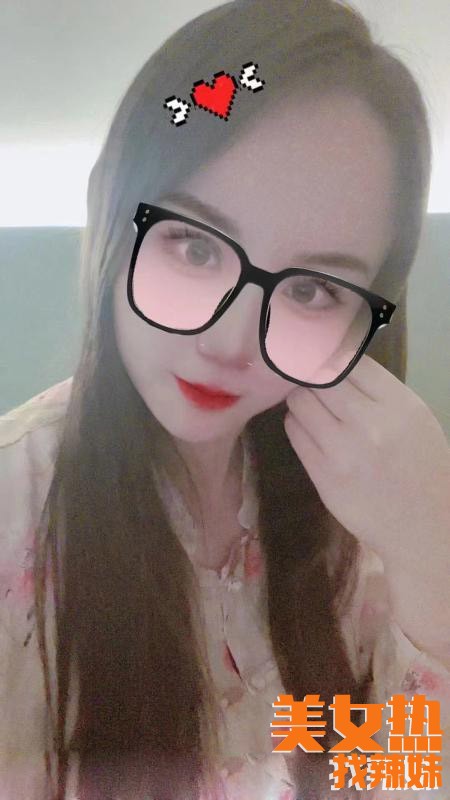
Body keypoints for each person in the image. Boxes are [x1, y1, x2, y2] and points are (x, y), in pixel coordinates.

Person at [1, 1, 449, 799]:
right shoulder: (15, 508)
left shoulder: (369, 506)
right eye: (195, 245)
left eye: (312, 289)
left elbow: (396, 773)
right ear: (113, 211)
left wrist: (433, 555)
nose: (231, 338)